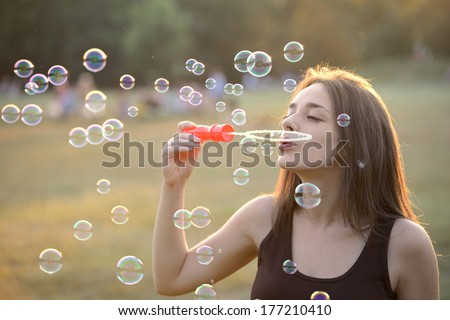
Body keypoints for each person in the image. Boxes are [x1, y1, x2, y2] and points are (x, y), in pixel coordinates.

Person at [152, 65, 439, 299]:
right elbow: (171, 278)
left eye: (312, 116)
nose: (287, 123)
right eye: (290, 113)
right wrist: (173, 186)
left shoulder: (404, 244)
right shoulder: (265, 218)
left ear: (355, 144)